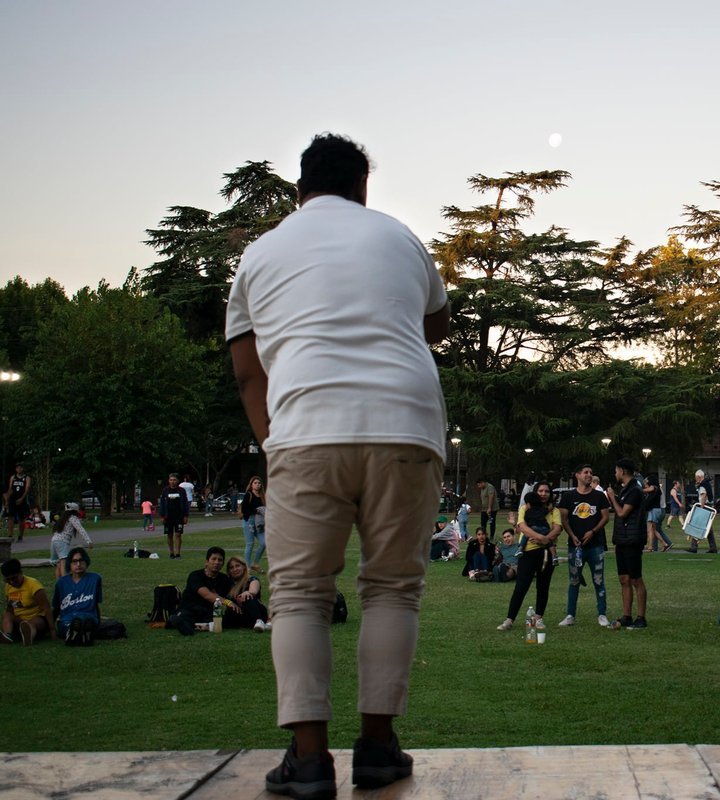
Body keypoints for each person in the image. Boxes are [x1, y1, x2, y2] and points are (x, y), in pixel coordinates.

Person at [227, 133, 450, 798]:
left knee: (299, 594)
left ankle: (308, 761)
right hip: (406, 423)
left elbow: (248, 372)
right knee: (392, 588)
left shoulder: (260, 254)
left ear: (300, 189)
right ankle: (378, 748)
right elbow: (436, 327)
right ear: (362, 187)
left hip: (306, 426)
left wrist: (277, 443)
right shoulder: (400, 237)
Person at [497, 482, 562, 630]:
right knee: (521, 586)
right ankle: (509, 619)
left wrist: (544, 540)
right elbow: (523, 527)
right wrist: (541, 538)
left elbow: (557, 529)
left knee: (543, 586)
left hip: (545, 553)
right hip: (527, 552)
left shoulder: (554, 511)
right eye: (540, 491)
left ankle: (538, 618)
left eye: (546, 491)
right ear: (535, 492)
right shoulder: (525, 508)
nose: (543, 494)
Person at [556, 464, 611, 628]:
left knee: (599, 580)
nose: (589, 475)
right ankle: (570, 615)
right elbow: (563, 518)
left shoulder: (599, 496)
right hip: (575, 546)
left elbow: (605, 517)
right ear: (577, 475)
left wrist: (593, 531)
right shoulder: (568, 496)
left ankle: (602, 614)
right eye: (585, 472)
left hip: (595, 546)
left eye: (591, 473)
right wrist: (572, 536)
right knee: (574, 581)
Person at [607, 458, 648, 629]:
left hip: (632, 540)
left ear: (622, 471)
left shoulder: (634, 490)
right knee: (624, 579)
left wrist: (612, 497)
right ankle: (627, 616)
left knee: (636, 579)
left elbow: (623, 513)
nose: (615, 473)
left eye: (616, 470)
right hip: (622, 540)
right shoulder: (625, 490)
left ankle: (641, 617)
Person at [172, 546, 235, 636]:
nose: (216, 562)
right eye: (213, 559)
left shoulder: (224, 579)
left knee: (224, 619)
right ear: (207, 562)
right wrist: (228, 602)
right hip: (190, 609)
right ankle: (187, 627)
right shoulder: (195, 576)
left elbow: (233, 592)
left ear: (223, 564)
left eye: (220, 560)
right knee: (184, 617)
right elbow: (207, 595)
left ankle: (202, 626)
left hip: (208, 612)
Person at [52, 546, 103, 644]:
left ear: (86, 562)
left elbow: (96, 604)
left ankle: (83, 633)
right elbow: (56, 607)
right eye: (74, 561)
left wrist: (98, 622)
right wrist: (50, 628)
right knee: (72, 624)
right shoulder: (61, 583)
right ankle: (75, 633)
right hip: (67, 619)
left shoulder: (95, 579)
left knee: (87, 622)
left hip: (88, 617)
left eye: (81, 561)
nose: (78, 564)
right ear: (69, 564)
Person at [2, 558, 54, 644]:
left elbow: (46, 607)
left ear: (20, 573)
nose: (12, 582)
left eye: (14, 578)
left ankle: (28, 635)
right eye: (8, 580)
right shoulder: (8, 586)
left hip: (37, 620)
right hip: (20, 620)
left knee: (30, 623)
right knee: (7, 615)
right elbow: (10, 608)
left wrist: (52, 630)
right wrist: (8, 620)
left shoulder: (33, 585)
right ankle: (8, 635)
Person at [225, 555, 270, 631]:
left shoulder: (252, 579)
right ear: (229, 571)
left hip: (257, 612)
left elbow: (254, 591)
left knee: (247, 597)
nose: (235, 569)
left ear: (244, 567)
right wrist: (229, 603)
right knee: (229, 611)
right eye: (231, 567)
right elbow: (222, 599)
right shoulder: (228, 583)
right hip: (241, 615)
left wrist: (248, 592)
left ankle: (259, 621)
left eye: (237, 566)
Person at [50, 502, 92, 579]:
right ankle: (65, 582)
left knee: (58, 564)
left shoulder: (63, 518)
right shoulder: (73, 518)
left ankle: (58, 582)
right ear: (75, 511)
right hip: (62, 542)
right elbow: (81, 529)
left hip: (54, 541)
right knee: (64, 563)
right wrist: (89, 541)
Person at [240, 476, 268, 573]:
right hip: (249, 521)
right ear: (251, 484)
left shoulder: (262, 496)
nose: (257, 485)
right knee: (250, 544)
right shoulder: (248, 494)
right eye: (255, 483)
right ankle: (247, 567)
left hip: (259, 522)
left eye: (259, 483)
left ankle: (255, 563)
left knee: (264, 543)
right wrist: (256, 510)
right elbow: (244, 509)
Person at [159, 473, 190, 560]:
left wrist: (186, 515)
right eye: (171, 480)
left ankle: (178, 553)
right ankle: (171, 553)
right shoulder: (165, 490)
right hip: (168, 516)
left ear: (177, 481)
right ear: (169, 481)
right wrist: (162, 516)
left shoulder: (181, 491)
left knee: (178, 534)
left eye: (174, 480)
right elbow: (162, 504)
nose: (172, 482)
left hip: (179, 516)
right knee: (169, 535)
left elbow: (185, 503)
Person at [687, 469, 718, 554]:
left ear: (698, 477)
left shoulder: (702, 485)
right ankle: (713, 547)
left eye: (695, 477)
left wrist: (701, 507)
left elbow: (703, 495)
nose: (695, 479)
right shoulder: (706, 483)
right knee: (708, 528)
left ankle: (694, 547)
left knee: (696, 525)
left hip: (704, 506)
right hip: (708, 506)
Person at [643, 474, 672, 552]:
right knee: (653, 529)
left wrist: (637, 490)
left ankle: (650, 547)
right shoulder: (657, 489)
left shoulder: (654, 487)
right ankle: (664, 544)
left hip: (654, 510)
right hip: (656, 510)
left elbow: (647, 490)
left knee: (650, 529)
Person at [5, 463, 32, 541]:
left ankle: (20, 535)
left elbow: (27, 488)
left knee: (21, 518)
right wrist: (7, 500)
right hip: (13, 499)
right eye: (17, 468)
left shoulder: (27, 478)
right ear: (16, 469)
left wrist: (22, 498)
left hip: (22, 500)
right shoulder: (13, 477)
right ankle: (10, 535)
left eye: (20, 468)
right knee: (10, 517)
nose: (19, 469)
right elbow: (10, 489)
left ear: (23, 469)